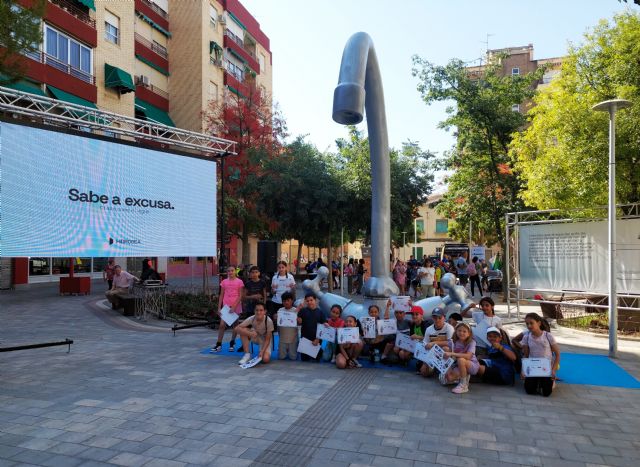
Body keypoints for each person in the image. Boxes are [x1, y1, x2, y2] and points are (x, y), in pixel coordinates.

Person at [521, 313, 561, 397]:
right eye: (527, 323)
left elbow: (557, 354)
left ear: (539, 323)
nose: (529, 326)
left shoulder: (548, 336)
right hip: (533, 367)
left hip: (546, 368)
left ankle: (551, 381)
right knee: (529, 390)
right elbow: (526, 355)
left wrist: (553, 370)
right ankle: (537, 381)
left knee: (546, 393)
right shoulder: (526, 337)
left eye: (531, 323)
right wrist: (523, 370)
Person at [212, 266, 244, 353]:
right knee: (222, 325)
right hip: (225, 306)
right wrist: (219, 307)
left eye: (232, 271)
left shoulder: (239, 282)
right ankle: (219, 344)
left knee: (235, 326)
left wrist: (234, 307)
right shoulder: (224, 282)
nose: (230, 272)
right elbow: (221, 295)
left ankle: (232, 342)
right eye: (228, 271)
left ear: (235, 272)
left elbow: (240, 295)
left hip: (236, 307)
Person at [442, 322, 480, 394]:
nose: (461, 333)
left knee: (461, 359)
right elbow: (444, 344)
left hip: (472, 365)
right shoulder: (454, 341)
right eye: (459, 330)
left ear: (469, 333)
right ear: (456, 331)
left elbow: (468, 356)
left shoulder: (472, 342)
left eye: (464, 331)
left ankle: (464, 385)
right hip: (458, 365)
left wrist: (452, 353)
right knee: (449, 378)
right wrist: (432, 344)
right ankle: (463, 376)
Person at [419, 307, 454, 377]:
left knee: (445, 349)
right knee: (424, 373)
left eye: (440, 318)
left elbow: (450, 343)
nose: (437, 320)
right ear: (432, 318)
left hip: (448, 354)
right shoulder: (429, 329)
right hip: (433, 354)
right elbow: (425, 345)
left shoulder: (449, 328)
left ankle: (447, 369)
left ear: (444, 317)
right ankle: (435, 368)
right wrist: (424, 363)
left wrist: (433, 343)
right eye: (435, 318)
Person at [296, 293, 326, 361]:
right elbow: (299, 322)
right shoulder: (303, 311)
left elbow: (323, 328)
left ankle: (320, 351)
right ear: (305, 301)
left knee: (316, 359)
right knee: (304, 359)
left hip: (316, 340)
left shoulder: (320, 312)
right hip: (305, 340)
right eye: (307, 301)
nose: (309, 302)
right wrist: (298, 318)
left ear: (315, 300)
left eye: (311, 300)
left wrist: (318, 339)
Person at [381, 300, 410, 365]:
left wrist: (411, 306)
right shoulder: (393, 322)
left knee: (401, 353)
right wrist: (388, 306)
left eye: (400, 313)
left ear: (404, 314)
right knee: (392, 354)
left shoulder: (408, 322)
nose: (398, 314)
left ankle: (404, 359)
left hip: (406, 344)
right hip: (396, 344)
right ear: (394, 314)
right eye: (396, 313)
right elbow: (386, 319)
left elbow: (419, 320)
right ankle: (383, 357)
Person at [275, 292, 298, 360]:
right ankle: (282, 349)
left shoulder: (296, 311)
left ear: (292, 300)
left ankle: (294, 349)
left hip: (293, 338)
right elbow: (278, 324)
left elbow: (299, 324)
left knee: (293, 357)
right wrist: (275, 317)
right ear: (282, 302)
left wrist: (299, 320)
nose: (286, 302)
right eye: (284, 301)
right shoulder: (280, 310)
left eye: (288, 300)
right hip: (282, 338)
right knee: (281, 357)